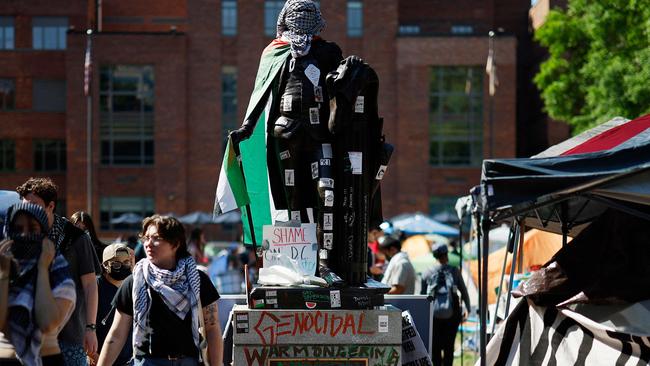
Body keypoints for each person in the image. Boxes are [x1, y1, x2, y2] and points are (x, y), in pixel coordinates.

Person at [229, 0, 346, 286]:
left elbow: (340, 89)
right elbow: (263, 90)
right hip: (286, 133)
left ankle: (326, 263)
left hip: (321, 133)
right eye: (297, 16)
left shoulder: (328, 52)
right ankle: (299, 265)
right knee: (295, 203)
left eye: (308, 16)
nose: (302, 22)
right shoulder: (275, 52)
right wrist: (247, 127)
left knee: (327, 193)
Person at [97, 215, 223, 366]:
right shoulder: (135, 280)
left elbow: (212, 329)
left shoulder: (198, 280)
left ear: (175, 244)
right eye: (146, 238)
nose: (148, 244)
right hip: (148, 362)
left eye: (156, 238)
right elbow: (116, 334)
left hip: (188, 362)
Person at [17, 177, 102, 365]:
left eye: (34, 205)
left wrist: (91, 327)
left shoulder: (76, 238)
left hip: (70, 336)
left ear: (51, 206)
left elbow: (90, 285)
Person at [0, 202, 76, 365]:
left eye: (33, 229)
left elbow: (47, 323)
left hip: (46, 360)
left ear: (43, 232)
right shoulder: (3, 266)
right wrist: (4, 273)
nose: (24, 235)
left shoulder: (58, 271)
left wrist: (42, 269)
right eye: (18, 229)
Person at [422, 243, 471, 366]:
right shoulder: (454, 271)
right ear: (446, 255)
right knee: (449, 348)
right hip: (452, 315)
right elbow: (463, 291)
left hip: (432, 316)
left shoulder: (427, 272)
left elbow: (422, 295)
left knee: (435, 348)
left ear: (435, 256)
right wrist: (468, 308)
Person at [94, 244, 134, 366]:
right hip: (99, 358)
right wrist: (97, 358)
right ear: (105, 265)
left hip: (130, 360)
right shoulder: (96, 287)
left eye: (126, 262)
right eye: (116, 264)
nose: (122, 266)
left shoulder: (133, 286)